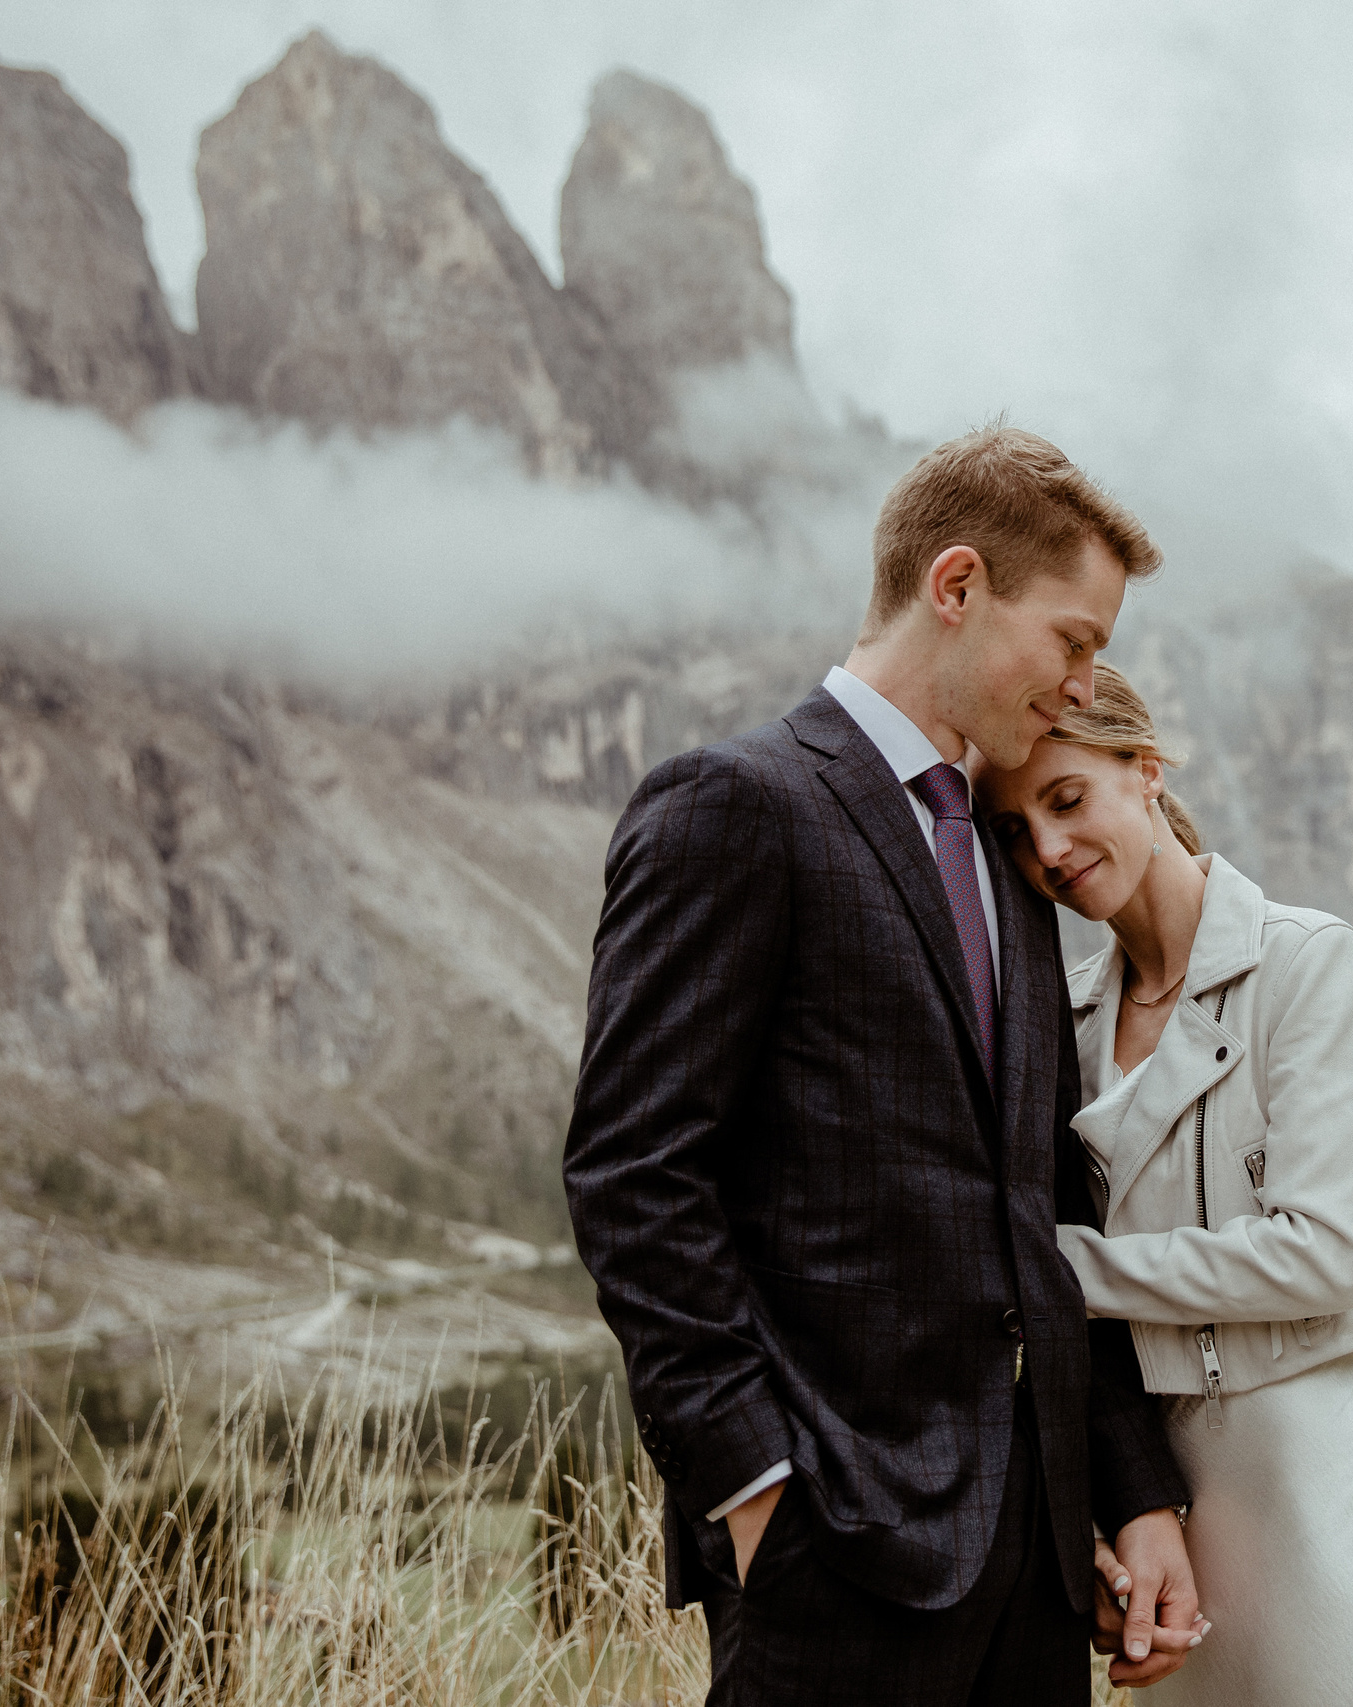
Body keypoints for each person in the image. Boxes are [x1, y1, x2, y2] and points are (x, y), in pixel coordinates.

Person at [563, 427, 1206, 1706]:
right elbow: (634, 1173)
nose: (1085, 688)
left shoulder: (1011, 858)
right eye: (1073, 641)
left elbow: (1052, 1206)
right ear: (955, 586)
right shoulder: (733, 805)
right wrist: (757, 1497)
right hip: (827, 1560)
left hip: (1033, 1575)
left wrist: (1134, 1496)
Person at [972, 663, 1353, 1705]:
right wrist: (1119, 1503)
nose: (1050, 852)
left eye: (1067, 802)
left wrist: (1064, 1266)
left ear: (1145, 772)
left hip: (1308, 1448)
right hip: (1168, 1484)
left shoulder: (1304, 962)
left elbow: (1324, 1255)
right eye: (1016, 831)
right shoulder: (1057, 1025)